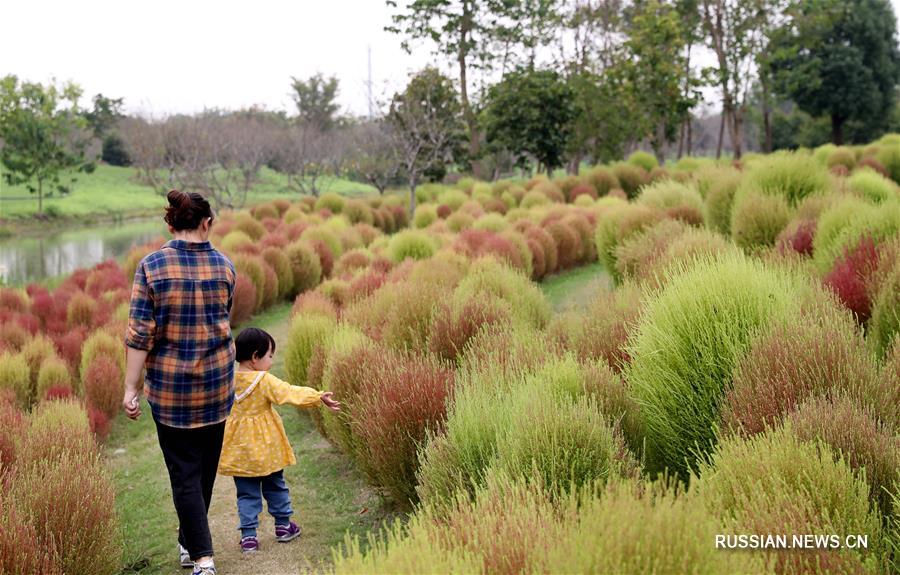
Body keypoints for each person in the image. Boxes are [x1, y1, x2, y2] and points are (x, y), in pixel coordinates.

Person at [122, 190, 236, 575]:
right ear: (208, 222)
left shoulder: (151, 267)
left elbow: (140, 335)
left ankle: (201, 556)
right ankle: (193, 544)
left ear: (171, 225)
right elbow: (222, 321)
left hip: (171, 393)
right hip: (218, 386)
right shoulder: (224, 266)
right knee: (202, 471)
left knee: (185, 473)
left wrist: (130, 388)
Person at [217, 327, 341, 554]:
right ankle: (283, 526)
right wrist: (317, 396)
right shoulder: (264, 380)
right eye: (270, 356)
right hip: (267, 448)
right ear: (255, 357)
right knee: (275, 485)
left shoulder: (226, 379)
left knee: (246, 492)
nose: (271, 361)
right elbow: (289, 392)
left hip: (240, 450)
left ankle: (249, 537)